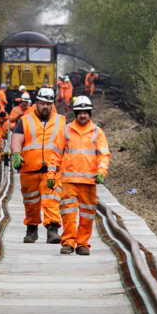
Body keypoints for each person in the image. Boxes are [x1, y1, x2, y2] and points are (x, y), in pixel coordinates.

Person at [7, 86, 64, 244]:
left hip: (52, 170)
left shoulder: (61, 121)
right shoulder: (25, 121)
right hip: (29, 168)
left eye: (48, 103)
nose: (45, 106)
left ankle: (52, 230)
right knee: (30, 202)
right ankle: (31, 229)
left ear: (52, 104)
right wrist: (16, 154)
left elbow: (68, 144)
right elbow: (17, 138)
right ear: (36, 103)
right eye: (42, 103)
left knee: (52, 199)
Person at [56, 94, 110, 256]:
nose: (83, 115)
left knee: (87, 214)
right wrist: (51, 174)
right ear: (75, 113)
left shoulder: (97, 132)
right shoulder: (66, 131)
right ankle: (68, 243)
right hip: (69, 181)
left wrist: (101, 172)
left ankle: (82, 244)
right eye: (80, 112)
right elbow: (56, 154)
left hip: (88, 181)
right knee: (68, 213)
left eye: (86, 112)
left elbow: (104, 154)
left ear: (90, 113)